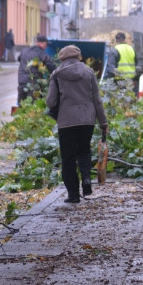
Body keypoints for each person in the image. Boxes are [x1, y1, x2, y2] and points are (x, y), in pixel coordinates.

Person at [46, 45, 108, 203]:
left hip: (66, 121)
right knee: (84, 151)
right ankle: (86, 178)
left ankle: (73, 195)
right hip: (87, 119)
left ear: (61, 58)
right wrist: (103, 122)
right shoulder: (88, 72)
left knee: (68, 158)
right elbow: (97, 100)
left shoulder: (57, 74)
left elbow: (50, 101)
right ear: (79, 56)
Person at [17, 34, 57, 105]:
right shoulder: (41, 54)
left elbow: (19, 59)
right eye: (46, 44)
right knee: (32, 105)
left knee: (21, 105)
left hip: (21, 82)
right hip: (33, 84)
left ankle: (19, 114)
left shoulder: (25, 51)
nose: (46, 46)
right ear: (42, 43)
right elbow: (51, 67)